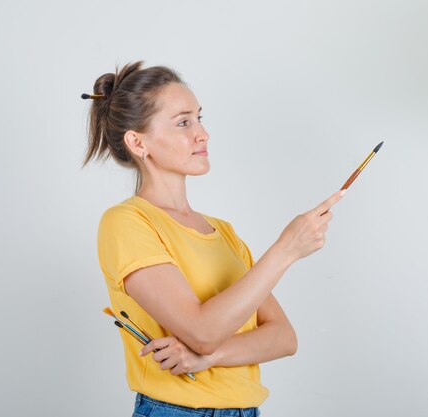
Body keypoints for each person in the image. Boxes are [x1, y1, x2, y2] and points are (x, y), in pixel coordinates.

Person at [82, 60, 345, 417]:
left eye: (199, 118)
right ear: (138, 142)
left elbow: (283, 337)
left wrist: (207, 357)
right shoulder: (127, 223)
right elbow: (202, 331)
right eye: (183, 122)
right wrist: (285, 250)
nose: (202, 134)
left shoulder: (223, 233)